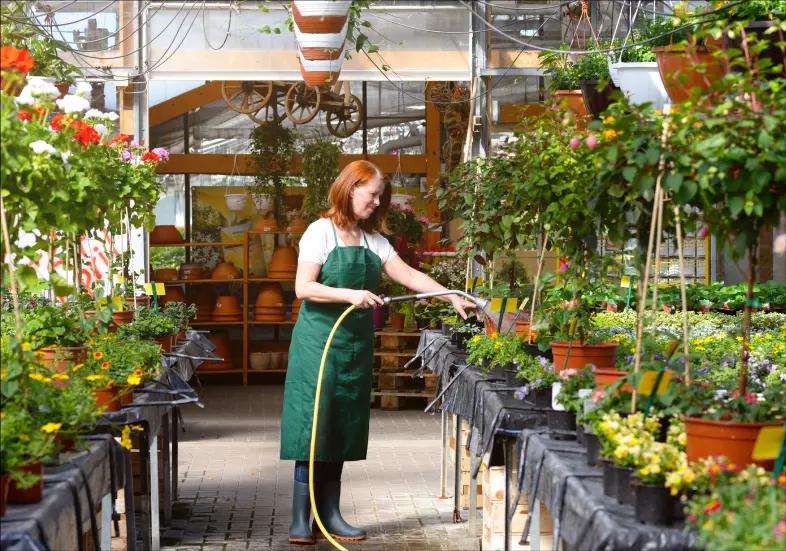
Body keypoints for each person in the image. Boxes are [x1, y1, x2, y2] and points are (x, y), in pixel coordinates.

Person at [280, 160, 474, 544]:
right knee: (314, 423)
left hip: (354, 345)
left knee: (342, 424)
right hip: (319, 342)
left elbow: (408, 275)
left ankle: (330, 514)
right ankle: (301, 518)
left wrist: (448, 293)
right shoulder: (321, 232)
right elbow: (304, 287)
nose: (377, 201)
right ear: (350, 189)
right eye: (372, 194)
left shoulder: (374, 242)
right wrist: (350, 294)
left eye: (380, 196)